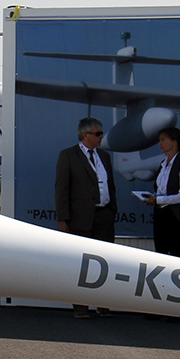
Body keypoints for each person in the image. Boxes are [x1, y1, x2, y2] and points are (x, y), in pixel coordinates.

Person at [54, 117, 116, 318]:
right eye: (98, 134)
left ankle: (103, 303)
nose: (101, 137)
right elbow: (61, 189)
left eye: (101, 133)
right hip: (80, 218)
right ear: (85, 135)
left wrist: (112, 209)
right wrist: (62, 219)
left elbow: (110, 185)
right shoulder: (69, 155)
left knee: (105, 262)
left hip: (103, 216)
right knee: (81, 264)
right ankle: (81, 306)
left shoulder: (104, 157)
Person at [143, 126, 180, 258]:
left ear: (174, 141)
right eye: (159, 140)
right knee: (160, 251)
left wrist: (159, 200)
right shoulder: (163, 164)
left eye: (163, 140)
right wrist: (153, 199)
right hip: (160, 213)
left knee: (174, 253)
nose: (160, 143)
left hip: (174, 215)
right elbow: (160, 189)